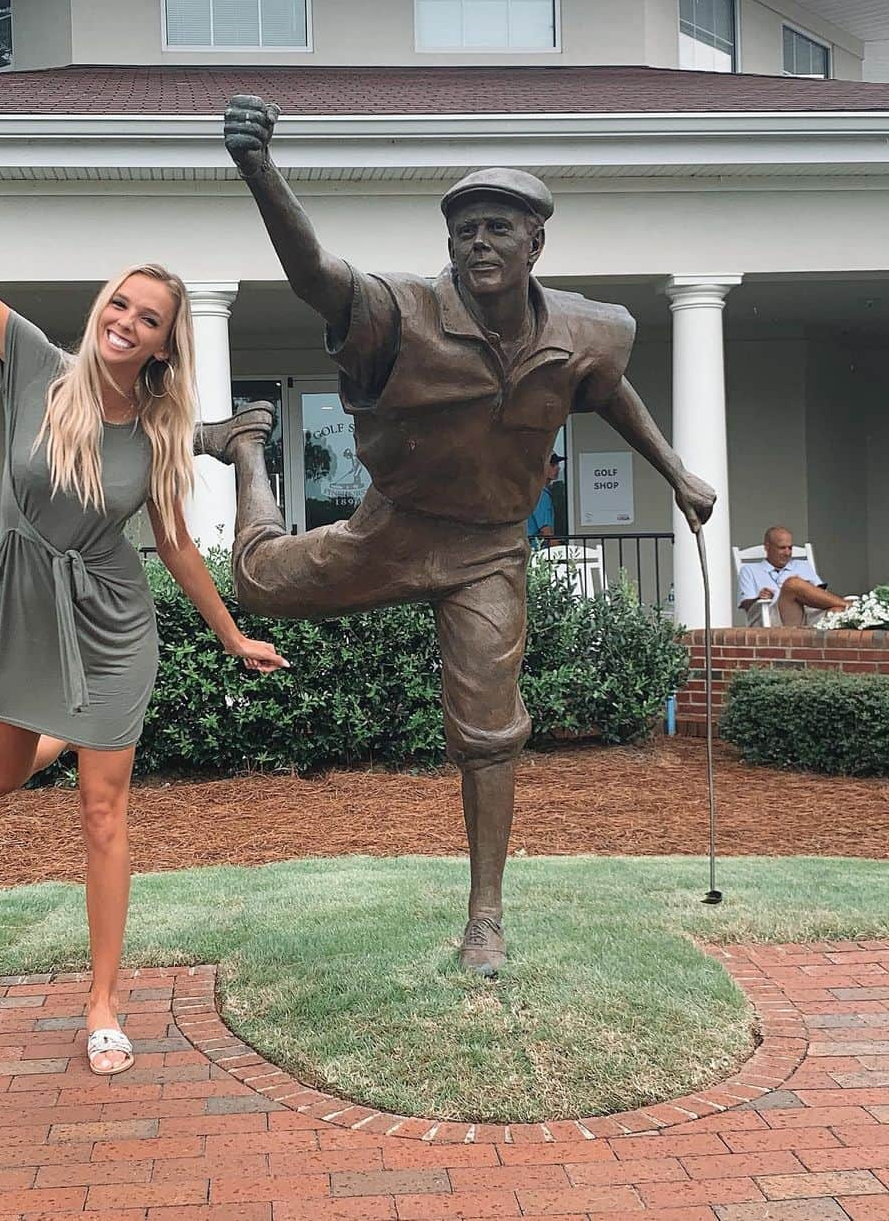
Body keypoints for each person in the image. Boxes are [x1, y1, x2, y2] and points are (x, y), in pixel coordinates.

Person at [211, 94, 716, 977]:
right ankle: (251, 445)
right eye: (463, 231)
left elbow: (604, 390)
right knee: (253, 584)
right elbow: (317, 278)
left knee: (490, 730)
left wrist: (675, 472)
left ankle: (486, 919)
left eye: (496, 228)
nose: (477, 243)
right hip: (394, 532)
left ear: (535, 245)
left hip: (490, 547)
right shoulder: (402, 312)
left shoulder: (587, 329)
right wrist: (261, 172)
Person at [0, 82, 288, 1075]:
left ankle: (103, 1001)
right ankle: (61, 736)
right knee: (1, 778)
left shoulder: (161, 435)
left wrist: (229, 634)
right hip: (26, 602)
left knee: (104, 810)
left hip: (116, 621)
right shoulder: (34, 362)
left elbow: (173, 550)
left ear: (168, 342)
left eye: (149, 316)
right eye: (120, 304)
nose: (127, 321)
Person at [738, 525, 847, 626]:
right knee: (792, 584)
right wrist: (758, 598)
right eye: (782, 548)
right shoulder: (749, 570)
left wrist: (808, 589)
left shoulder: (803, 566)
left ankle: (847, 607)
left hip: (808, 615)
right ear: (767, 547)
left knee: (837, 612)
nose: (787, 553)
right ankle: (851, 606)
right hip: (772, 619)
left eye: (790, 548)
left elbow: (822, 594)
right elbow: (746, 605)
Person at [525, 453, 563, 544]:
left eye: (558, 464)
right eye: (553, 465)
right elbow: (546, 531)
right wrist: (559, 549)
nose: (558, 468)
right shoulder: (541, 494)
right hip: (538, 551)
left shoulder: (534, 491)